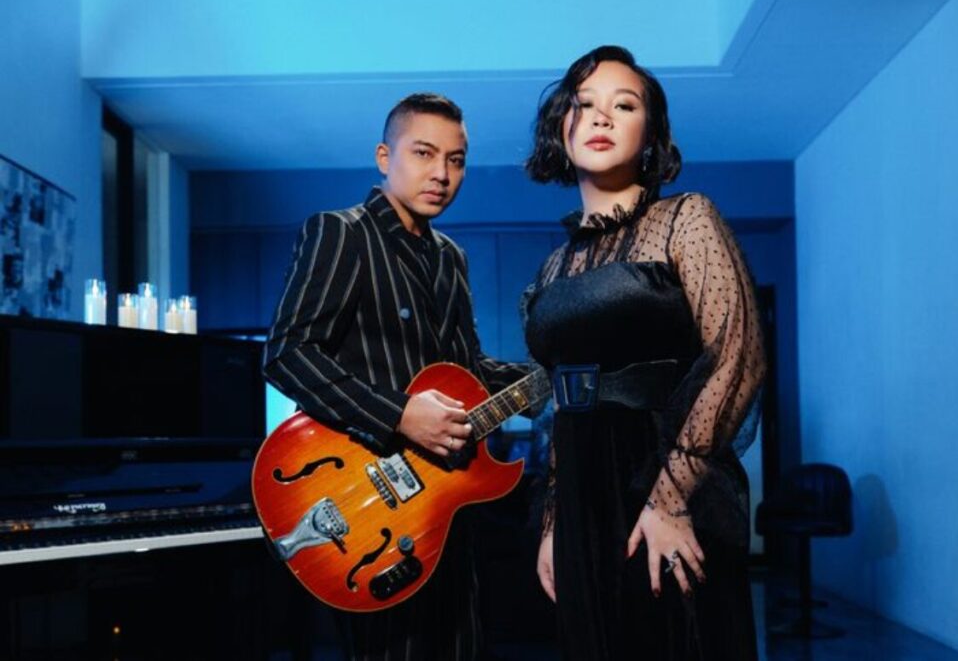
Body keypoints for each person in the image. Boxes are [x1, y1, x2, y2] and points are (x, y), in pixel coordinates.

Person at [263, 92, 529, 661]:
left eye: (456, 160)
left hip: (444, 503)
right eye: (424, 153)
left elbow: (468, 369)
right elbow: (287, 353)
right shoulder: (341, 233)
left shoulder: (451, 257)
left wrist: (546, 377)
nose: (442, 174)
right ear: (385, 157)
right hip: (366, 507)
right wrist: (400, 414)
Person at [523, 45, 766, 660]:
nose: (601, 117)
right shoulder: (553, 267)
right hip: (580, 496)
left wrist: (671, 497)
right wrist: (554, 522)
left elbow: (737, 357)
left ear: (650, 134)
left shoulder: (687, 219)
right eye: (584, 104)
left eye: (624, 105)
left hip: (663, 477)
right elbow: (559, 402)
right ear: (560, 128)